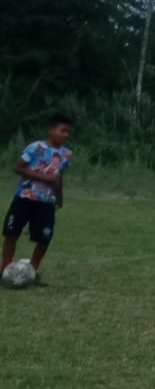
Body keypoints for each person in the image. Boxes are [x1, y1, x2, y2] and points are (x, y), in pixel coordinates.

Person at [1, 112, 74, 284]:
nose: (66, 135)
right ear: (51, 130)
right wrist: (46, 178)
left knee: (44, 238)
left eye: (68, 132)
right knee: (11, 233)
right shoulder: (36, 147)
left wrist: (59, 196)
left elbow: (58, 177)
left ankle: (32, 272)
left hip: (46, 202)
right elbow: (19, 168)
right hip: (24, 198)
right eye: (62, 130)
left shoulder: (66, 154)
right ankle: (4, 269)